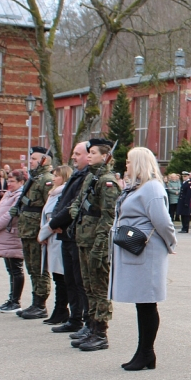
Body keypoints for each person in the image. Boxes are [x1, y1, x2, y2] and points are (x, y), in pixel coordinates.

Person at [110, 147, 178, 368]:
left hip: (147, 252)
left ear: (139, 163)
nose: (126, 165)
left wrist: (171, 243)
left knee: (147, 302)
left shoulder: (151, 188)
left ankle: (146, 352)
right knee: (142, 303)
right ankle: (144, 352)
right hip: (137, 250)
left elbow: (163, 221)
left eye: (129, 161)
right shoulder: (137, 188)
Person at [71, 139, 119, 351]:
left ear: (105, 156)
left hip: (96, 241)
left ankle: (100, 333)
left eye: (93, 153)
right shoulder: (91, 177)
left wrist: (100, 246)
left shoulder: (107, 182)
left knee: (99, 288)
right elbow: (77, 203)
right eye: (88, 152)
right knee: (88, 286)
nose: (88, 156)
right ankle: (91, 327)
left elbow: (108, 218)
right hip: (84, 238)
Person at [47, 142, 91, 336]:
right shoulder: (76, 174)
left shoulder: (88, 177)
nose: (73, 157)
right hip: (65, 233)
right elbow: (62, 202)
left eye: (77, 153)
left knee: (80, 281)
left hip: (76, 234)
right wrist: (55, 221)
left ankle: (84, 320)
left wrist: (54, 223)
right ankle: (74, 318)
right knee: (70, 279)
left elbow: (74, 205)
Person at [12, 147, 53, 319]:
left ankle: (41, 304)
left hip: (36, 230)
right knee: (31, 268)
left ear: (45, 160)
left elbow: (49, 208)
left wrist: (45, 232)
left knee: (39, 268)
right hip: (27, 230)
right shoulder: (35, 179)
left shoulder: (46, 180)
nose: (31, 161)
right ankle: (35, 302)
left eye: (34, 158)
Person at [0, 170, 26, 312]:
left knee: (16, 269)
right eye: (8, 181)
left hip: (12, 235)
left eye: (13, 181)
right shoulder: (9, 194)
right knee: (11, 270)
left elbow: (10, 216)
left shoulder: (20, 195)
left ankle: (15, 301)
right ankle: (11, 299)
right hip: (4, 235)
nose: (9, 184)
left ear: (21, 182)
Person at [39, 164, 71, 326]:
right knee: (58, 277)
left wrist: (43, 233)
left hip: (57, 238)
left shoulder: (62, 193)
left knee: (61, 278)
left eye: (56, 176)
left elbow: (55, 218)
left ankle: (62, 310)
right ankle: (59, 310)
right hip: (51, 238)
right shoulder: (54, 193)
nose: (53, 178)